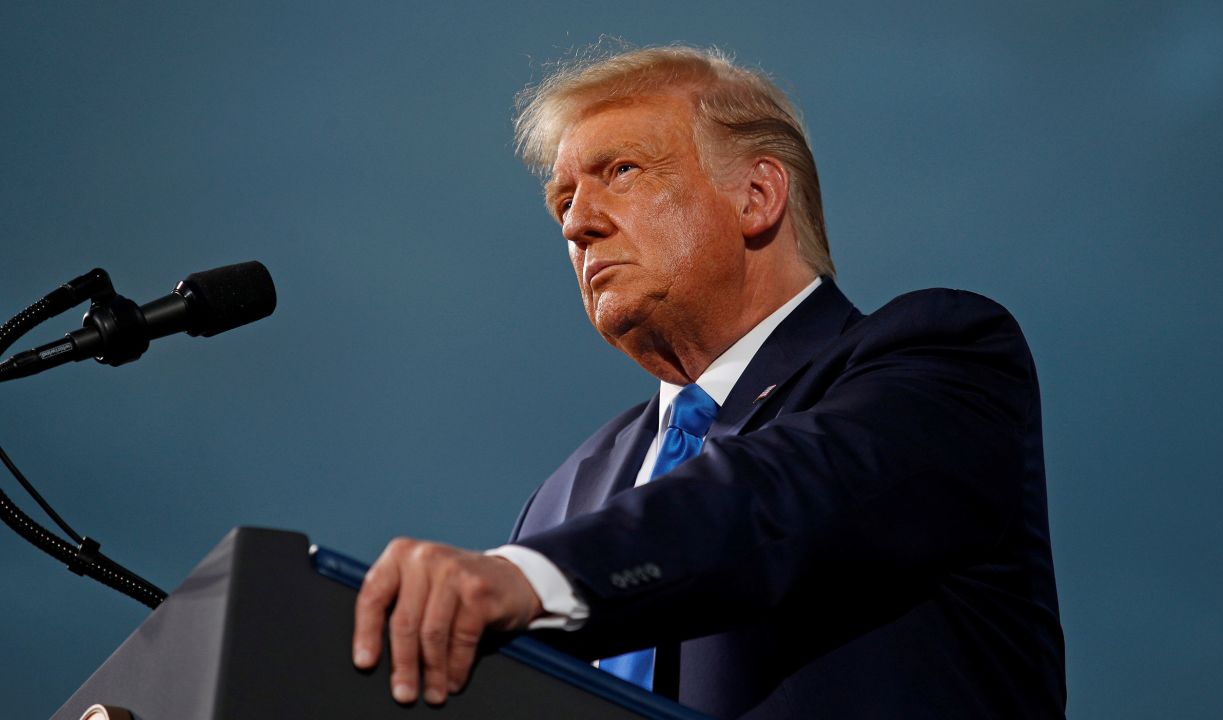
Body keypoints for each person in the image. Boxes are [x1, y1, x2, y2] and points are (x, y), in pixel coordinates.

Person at [352, 45, 1066, 718]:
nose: (578, 225)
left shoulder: (943, 360)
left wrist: (530, 578)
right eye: (562, 201)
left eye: (621, 171)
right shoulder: (562, 500)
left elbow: (774, 497)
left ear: (757, 195)